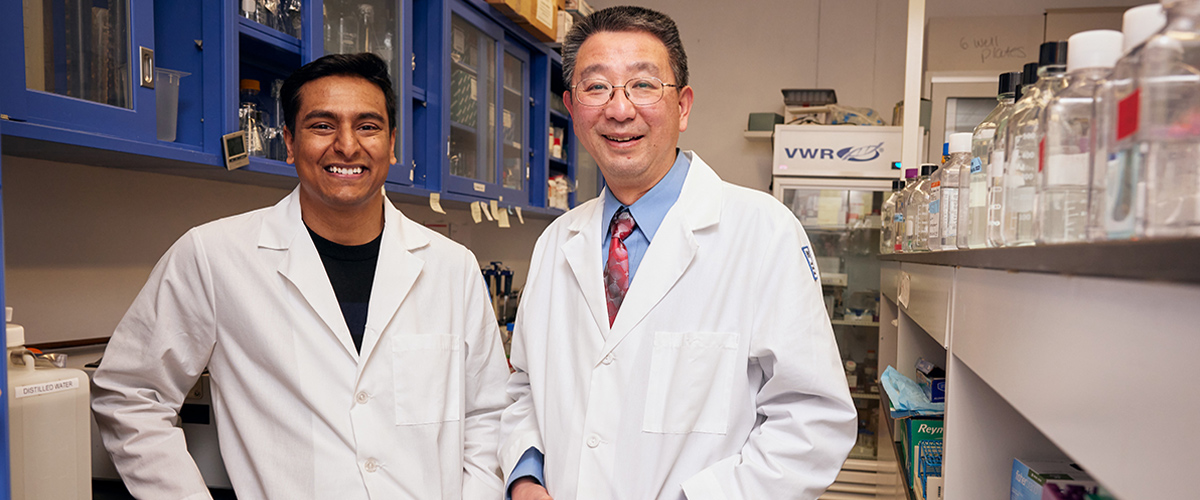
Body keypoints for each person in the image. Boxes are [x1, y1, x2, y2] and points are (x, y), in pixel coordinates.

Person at [91, 53, 509, 500]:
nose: (347, 146)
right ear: (289, 142)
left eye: (367, 126)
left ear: (391, 144)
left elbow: (489, 415)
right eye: (322, 125)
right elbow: (130, 392)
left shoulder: (453, 267)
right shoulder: (214, 256)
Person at [500, 6, 858, 500]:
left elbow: (813, 423)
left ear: (684, 106)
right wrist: (525, 477)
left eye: (644, 85)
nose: (619, 109)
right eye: (596, 86)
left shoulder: (763, 232)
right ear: (573, 108)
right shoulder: (555, 244)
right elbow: (523, 393)